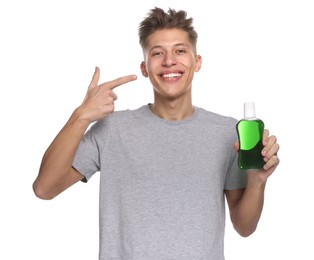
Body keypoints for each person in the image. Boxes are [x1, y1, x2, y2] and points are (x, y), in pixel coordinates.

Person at [33, 7, 280, 260]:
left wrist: (257, 181)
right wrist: (81, 116)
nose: (169, 61)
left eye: (180, 51)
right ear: (144, 68)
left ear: (197, 62)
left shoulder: (227, 132)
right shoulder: (113, 129)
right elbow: (44, 188)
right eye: (157, 53)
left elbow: (244, 226)